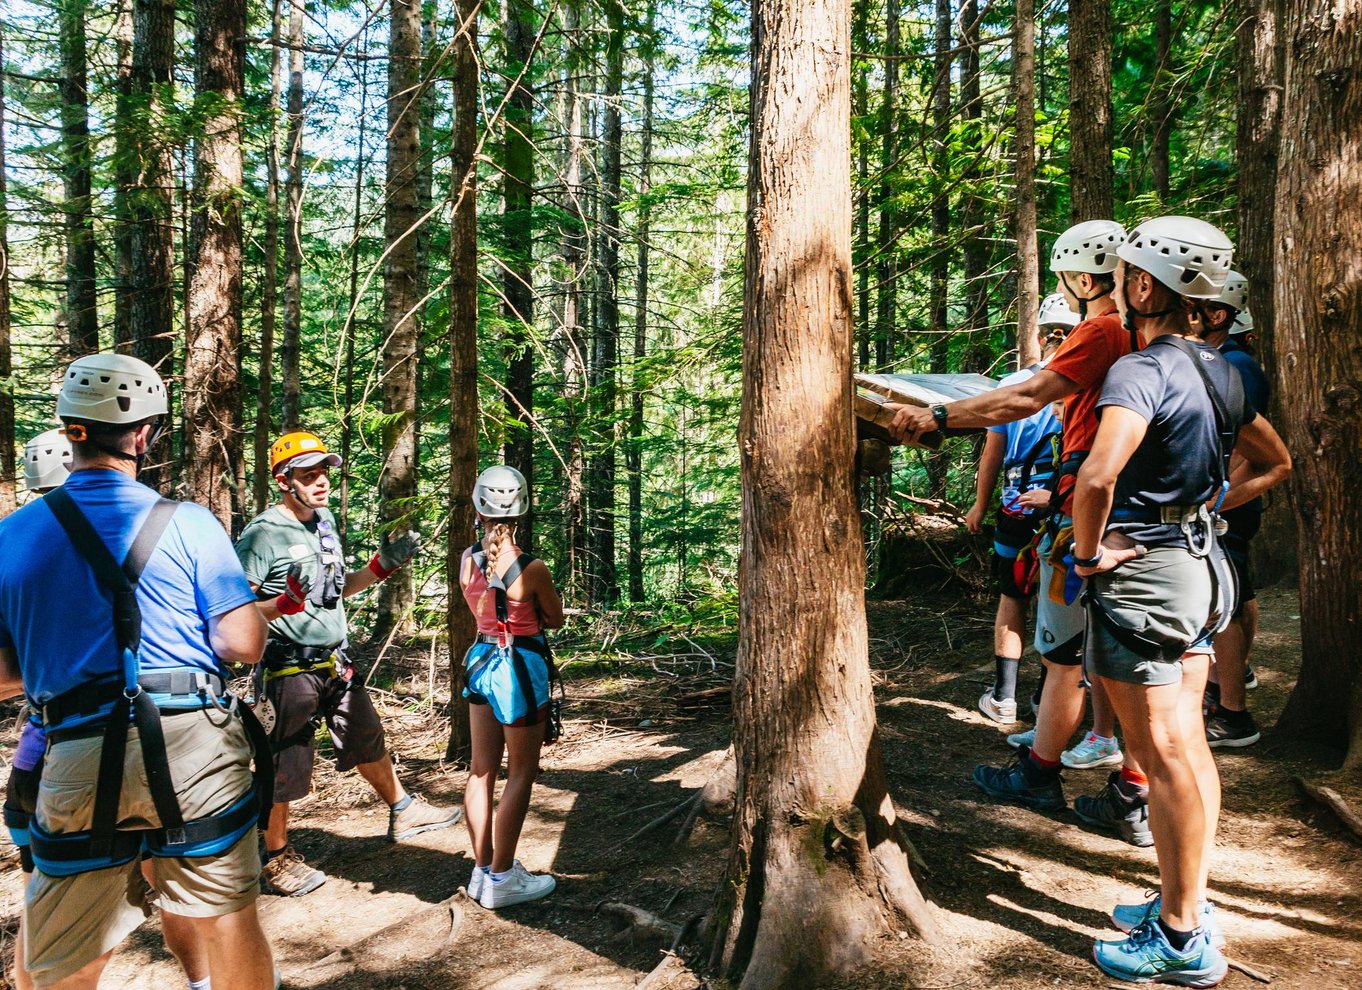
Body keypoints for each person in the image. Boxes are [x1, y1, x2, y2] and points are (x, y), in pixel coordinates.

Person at [0, 354, 276, 990]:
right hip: (193, 747)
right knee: (227, 920)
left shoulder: (12, 536)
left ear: (69, 431)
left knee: (64, 951)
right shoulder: (190, 524)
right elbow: (241, 641)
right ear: (143, 436)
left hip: (73, 750)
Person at [1072, 217, 1290, 984]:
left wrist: (1089, 551)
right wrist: (1208, 511)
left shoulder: (1139, 370)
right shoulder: (1224, 368)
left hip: (1147, 578)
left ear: (1140, 286)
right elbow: (1274, 458)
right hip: (1202, 571)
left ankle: (1180, 936)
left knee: (1161, 752)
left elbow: (1098, 477)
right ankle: (1183, 896)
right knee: (1188, 747)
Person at [888, 219, 1137, 823]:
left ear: (1083, 278)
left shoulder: (1100, 331)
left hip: (1085, 506)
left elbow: (1027, 397)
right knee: (1122, 656)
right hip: (1106, 505)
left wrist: (940, 417)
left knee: (1066, 656)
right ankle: (1131, 787)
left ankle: (1043, 776)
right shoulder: (1138, 334)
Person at [235, 431, 461, 898]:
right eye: (308, 474)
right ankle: (274, 859)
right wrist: (281, 606)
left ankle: (403, 810)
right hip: (287, 670)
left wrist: (382, 568)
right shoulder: (262, 534)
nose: (320, 482)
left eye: (324, 473)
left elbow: (338, 589)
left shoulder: (325, 523)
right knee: (284, 765)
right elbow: (235, 610)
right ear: (283, 480)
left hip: (334, 663)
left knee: (365, 733)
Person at [965, 294, 1073, 724]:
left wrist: (979, 504)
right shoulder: (1089, 385)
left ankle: (1004, 696)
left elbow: (994, 451)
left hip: (1016, 509)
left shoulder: (1011, 386)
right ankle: (1044, 697)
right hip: (1065, 510)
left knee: (1013, 597)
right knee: (1056, 598)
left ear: (1040, 336)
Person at [460, 465, 564, 910]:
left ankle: (483, 869)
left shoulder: (467, 559)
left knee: (481, 770)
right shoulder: (531, 568)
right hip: (518, 667)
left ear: (478, 506)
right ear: (520, 507)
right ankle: (502, 877)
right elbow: (554, 618)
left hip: (480, 660)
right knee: (521, 772)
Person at [1197, 273, 1270, 748]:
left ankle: (1233, 716)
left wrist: (1220, 498)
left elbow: (1249, 447)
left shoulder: (1236, 366)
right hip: (1229, 500)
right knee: (1237, 595)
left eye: (1197, 306)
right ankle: (1233, 678)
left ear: (1218, 315)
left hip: (1228, 503)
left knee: (1221, 607)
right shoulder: (1229, 360)